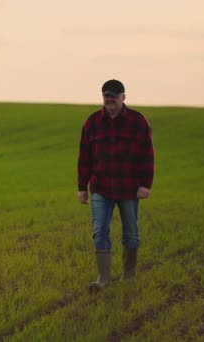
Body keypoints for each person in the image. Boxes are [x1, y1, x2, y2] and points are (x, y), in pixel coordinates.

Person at [77, 79, 154, 292]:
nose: (110, 100)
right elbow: (84, 157)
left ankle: (128, 277)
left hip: (129, 187)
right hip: (101, 188)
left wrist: (145, 184)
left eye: (114, 96)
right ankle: (103, 278)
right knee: (99, 231)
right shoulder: (91, 123)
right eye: (106, 96)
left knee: (131, 232)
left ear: (123, 97)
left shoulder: (138, 122)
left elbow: (148, 155)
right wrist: (82, 187)